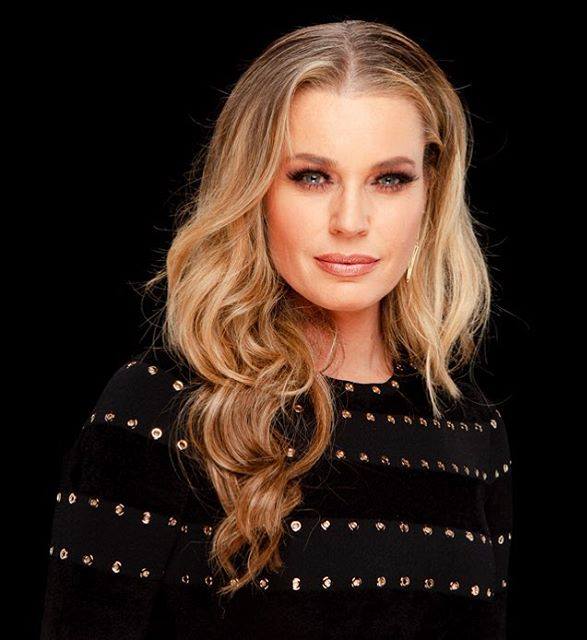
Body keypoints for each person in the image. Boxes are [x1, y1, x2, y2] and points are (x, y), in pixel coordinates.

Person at [40, 18, 513, 639]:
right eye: (312, 176)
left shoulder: (470, 429)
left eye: (389, 179)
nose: (350, 220)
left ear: (431, 194)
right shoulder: (161, 407)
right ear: (256, 189)